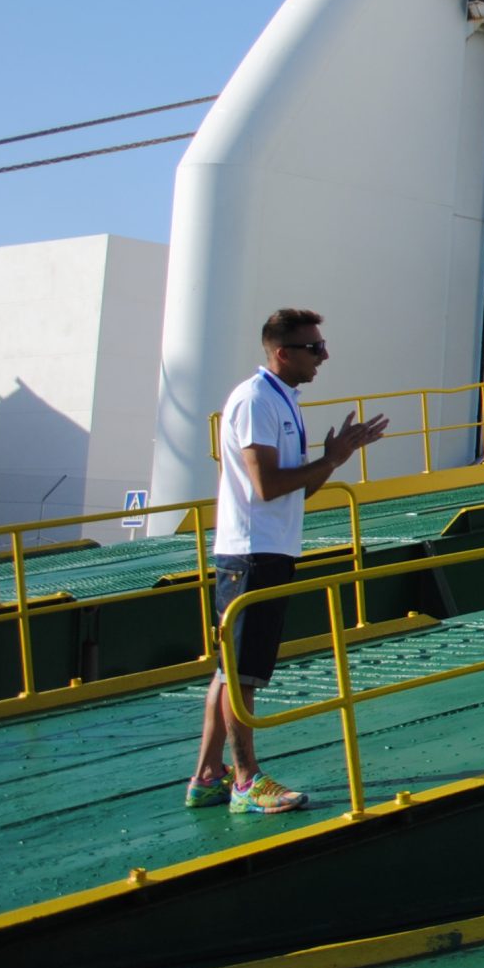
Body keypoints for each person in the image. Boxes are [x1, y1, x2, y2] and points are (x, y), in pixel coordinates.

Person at [185, 309, 388, 814]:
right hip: (253, 552)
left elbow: (297, 491)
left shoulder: (281, 401)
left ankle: (209, 776)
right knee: (244, 673)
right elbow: (267, 485)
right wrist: (330, 460)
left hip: (266, 547)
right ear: (283, 353)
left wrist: (332, 458)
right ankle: (245, 779)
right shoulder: (257, 401)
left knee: (230, 670)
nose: (324, 356)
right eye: (314, 348)